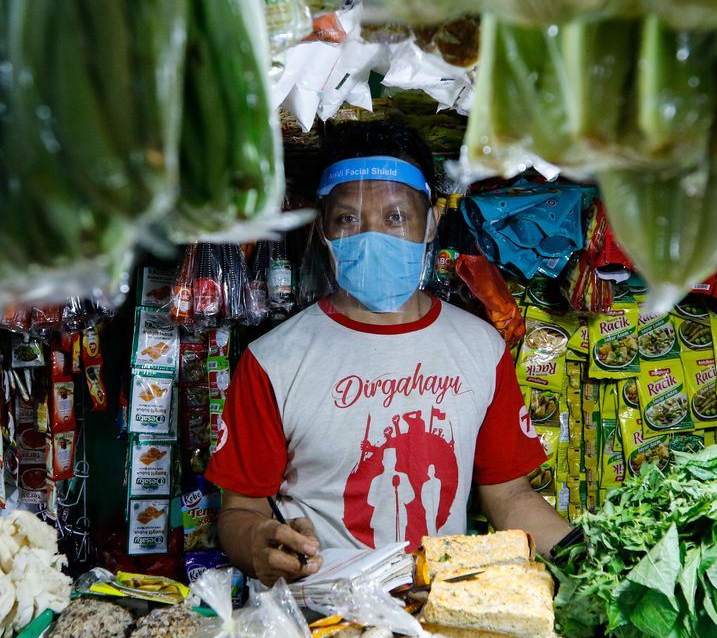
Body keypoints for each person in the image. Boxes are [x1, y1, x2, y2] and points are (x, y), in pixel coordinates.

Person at [206, 121, 574, 586]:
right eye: (348, 219)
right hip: (323, 618)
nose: (372, 236)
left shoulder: (481, 347)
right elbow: (240, 509)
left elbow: (509, 496)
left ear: (431, 224)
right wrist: (258, 539)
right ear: (323, 231)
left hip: (440, 614)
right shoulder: (273, 360)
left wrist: (584, 560)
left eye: (396, 217)